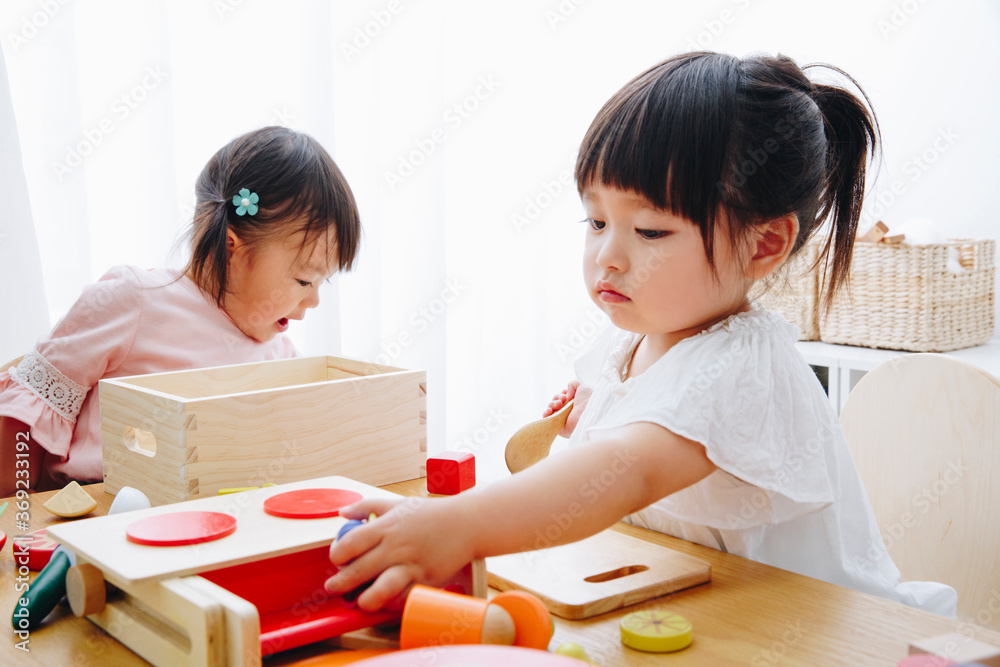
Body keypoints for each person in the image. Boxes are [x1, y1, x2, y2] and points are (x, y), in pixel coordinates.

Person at [325, 52, 956, 617]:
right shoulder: (636, 339)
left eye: (650, 231)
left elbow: (628, 468)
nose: (608, 256)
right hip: (705, 604)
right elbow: (634, 440)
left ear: (764, 244)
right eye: (596, 221)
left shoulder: (742, 365)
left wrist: (458, 525)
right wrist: (596, 410)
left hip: (824, 637)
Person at [0, 126, 361, 497]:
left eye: (323, 282)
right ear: (231, 247)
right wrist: (21, 518)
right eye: (304, 280)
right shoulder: (135, 299)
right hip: (102, 505)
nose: (314, 300)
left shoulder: (279, 356)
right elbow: (27, 413)